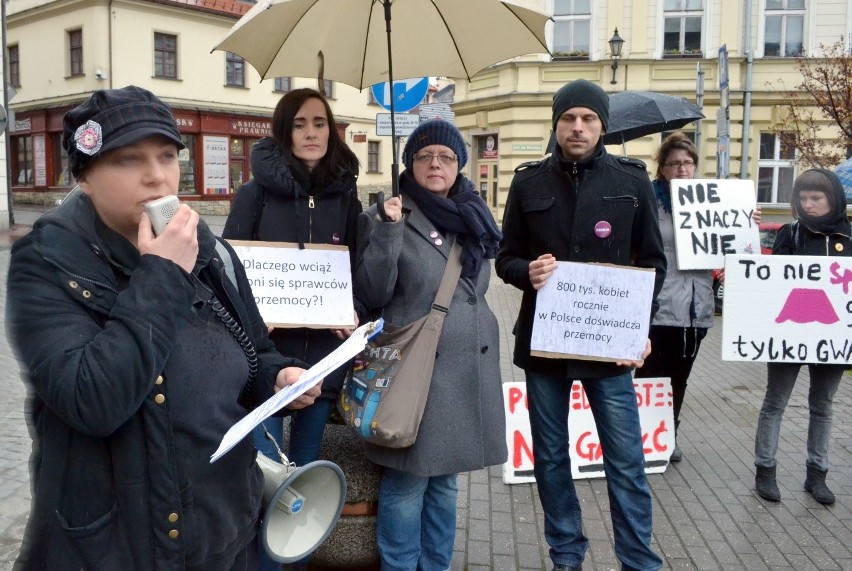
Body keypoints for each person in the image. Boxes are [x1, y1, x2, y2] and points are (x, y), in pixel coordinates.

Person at [5, 85, 321, 571]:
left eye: (168, 156)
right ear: (86, 177)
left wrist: (277, 380)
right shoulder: (45, 263)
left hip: (224, 535)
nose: (156, 177)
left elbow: (253, 351)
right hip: (118, 550)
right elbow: (92, 401)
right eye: (128, 160)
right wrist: (164, 274)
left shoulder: (211, 252)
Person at [496, 79, 666, 571]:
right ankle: (566, 555)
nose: (577, 126)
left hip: (610, 349)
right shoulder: (528, 183)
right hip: (544, 348)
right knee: (550, 459)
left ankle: (638, 560)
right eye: (568, 118)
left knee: (626, 462)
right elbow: (505, 258)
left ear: (602, 125)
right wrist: (525, 273)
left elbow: (653, 264)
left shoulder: (632, 182)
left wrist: (642, 329)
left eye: (588, 118)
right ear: (556, 124)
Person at [353, 120, 507, 570]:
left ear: (459, 164)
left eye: (446, 156)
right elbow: (374, 293)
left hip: (463, 371)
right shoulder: (388, 216)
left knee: (444, 485)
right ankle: (400, 566)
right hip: (415, 373)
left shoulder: (472, 215)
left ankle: (436, 566)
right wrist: (388, 229)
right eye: (424, 156)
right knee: (406, 484)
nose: (435, 164)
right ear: (410, 163)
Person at [222, 87, 361, 570]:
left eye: (319, 123)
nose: (311, 133)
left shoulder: (345, 194)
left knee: (303, 483)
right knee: (265, 482)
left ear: (331, 130)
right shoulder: (254, 194)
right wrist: (252, 313)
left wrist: (351, 309)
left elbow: (357, 270)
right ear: (284, 131)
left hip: (321, 363)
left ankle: (293, 564)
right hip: (261, 365)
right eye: (300, 124)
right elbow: (225, 272)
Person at [634, 132, 761, 462]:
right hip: (658, 305)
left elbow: (734, 244)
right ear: (661, 168)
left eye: (688, 163)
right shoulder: (649, 200)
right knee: (648, 376)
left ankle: (667, 436)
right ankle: (637, 439)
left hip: (696, 307)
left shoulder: (712, 200)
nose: (682, 169)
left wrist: (747, 222)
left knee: (680, 378)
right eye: (674, 163)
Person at [753, 168, 851, 505]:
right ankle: (765, 470)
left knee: (823, 405)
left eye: (816, 198)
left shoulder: (849, 238)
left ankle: (817, 474)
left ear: (833, 200)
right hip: (789, 333)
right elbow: (770, 283)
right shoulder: (789, 234)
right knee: (775, 402)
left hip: (832, 337)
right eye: (804, 198)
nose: (808, 204)